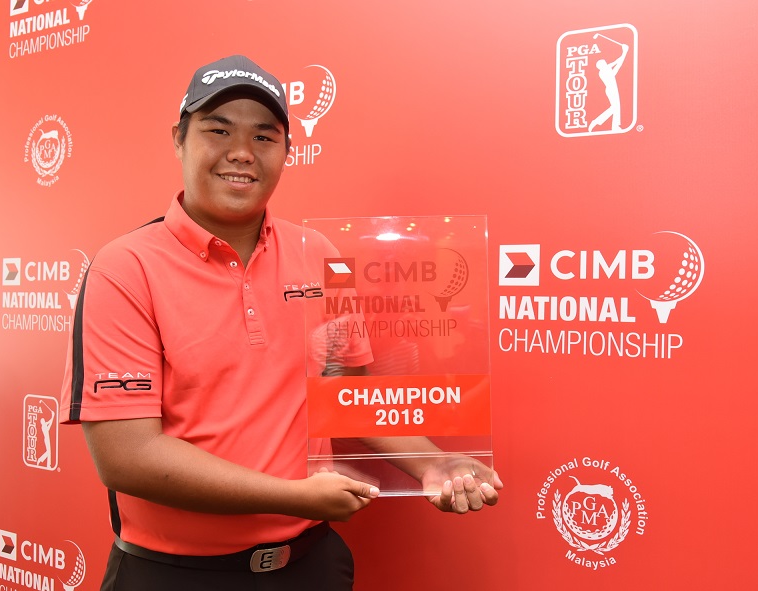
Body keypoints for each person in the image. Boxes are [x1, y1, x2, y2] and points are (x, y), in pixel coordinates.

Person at [59, 54, 502, 591]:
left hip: (310, 567)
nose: (241, 152)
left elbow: (344, 396)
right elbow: (128, 458)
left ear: (288, 151)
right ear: (179, 139)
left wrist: (432, 464)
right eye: (218, 130)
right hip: (173, 575)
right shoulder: (124, 268)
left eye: (264, 137)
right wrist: (293, 496)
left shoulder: (321, 254)